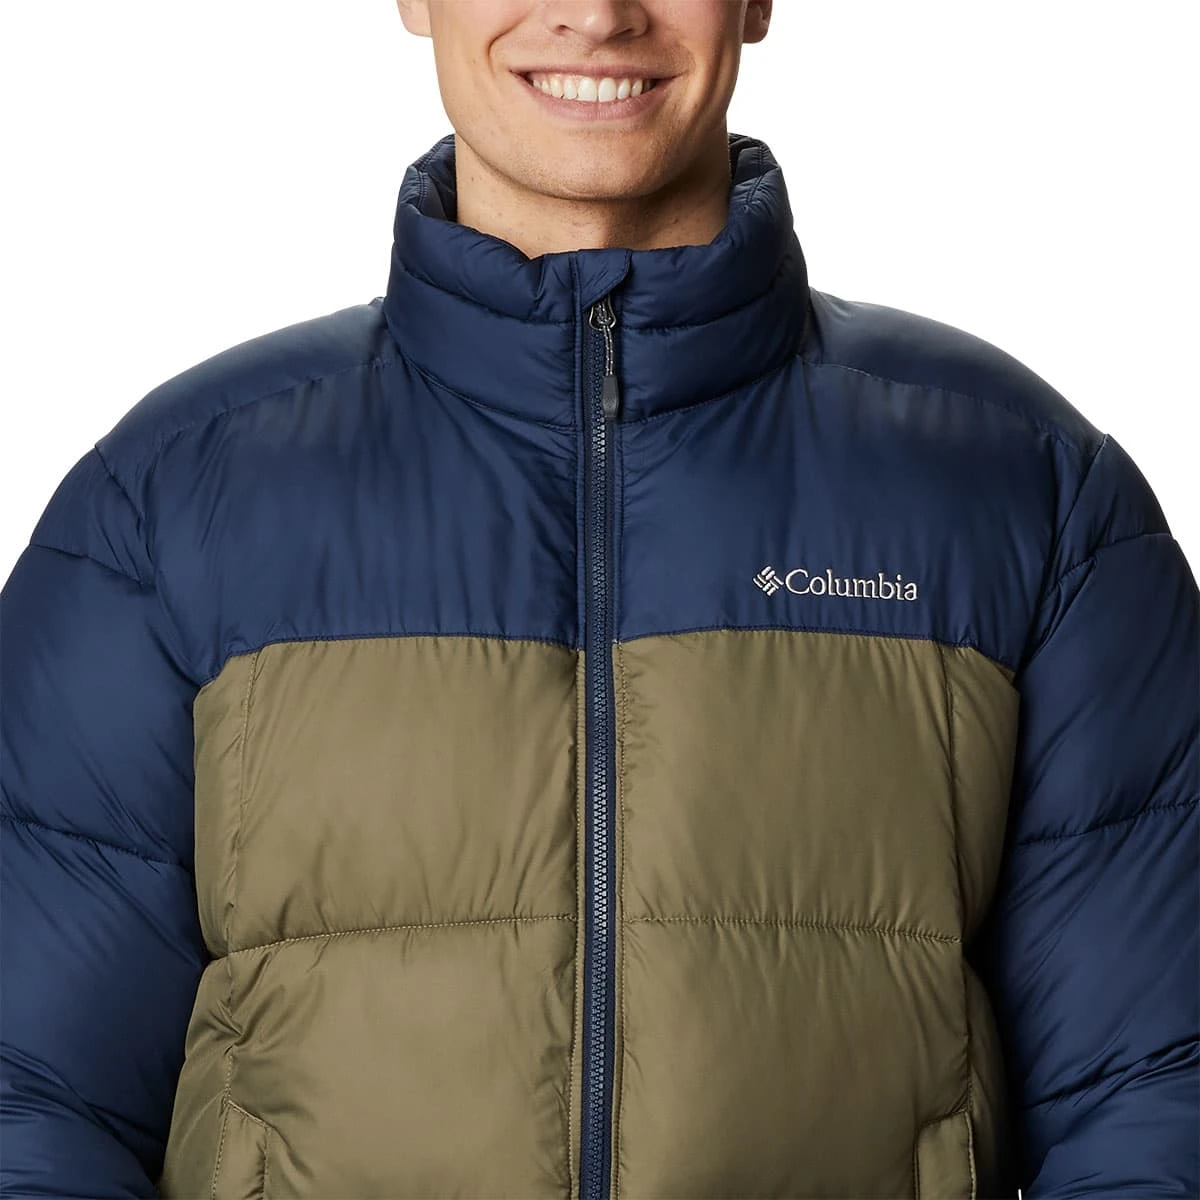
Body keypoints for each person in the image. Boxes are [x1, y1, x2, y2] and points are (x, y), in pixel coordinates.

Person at [1, 1, 1196, 1196]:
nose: (597, 14)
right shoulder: (168, 503)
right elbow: (31, 1099)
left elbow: (1158, 1092)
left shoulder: (1025, 491)